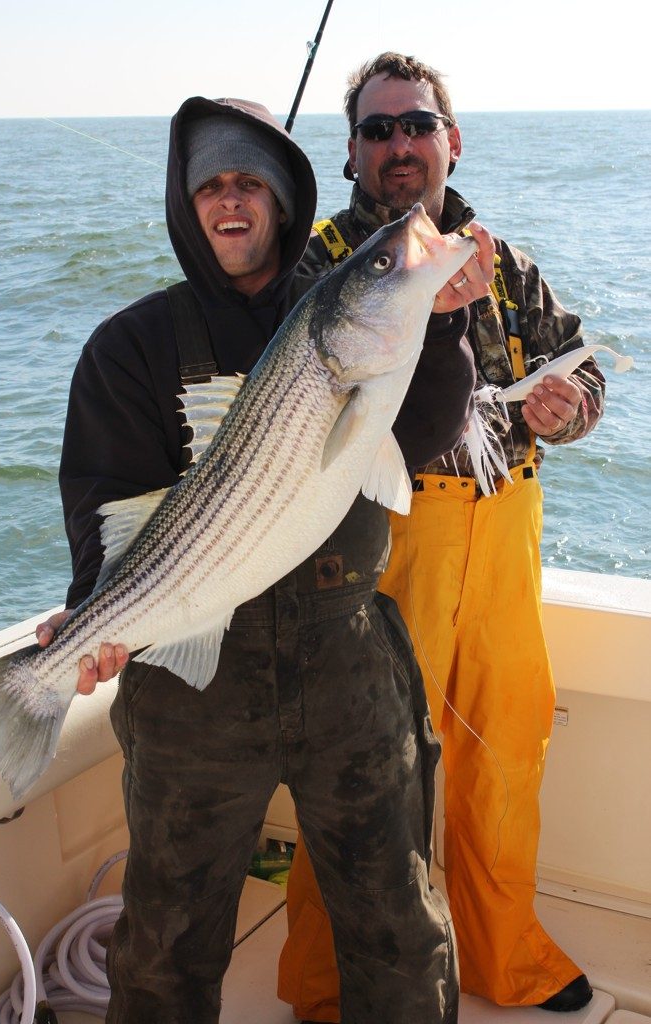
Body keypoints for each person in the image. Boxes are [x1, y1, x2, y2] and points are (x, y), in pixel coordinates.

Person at [36, 93, 491, 1023]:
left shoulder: (346, 311)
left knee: (400, 930)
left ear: (284, 197)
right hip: (191, 690)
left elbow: (422, 434)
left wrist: (439, 321)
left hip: (349, 662)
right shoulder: (129, 345)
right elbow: (103, 502)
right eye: (210, 185)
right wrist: (99, 610)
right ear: (186, 203)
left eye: (250, 180)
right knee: (165, 945)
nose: (229, 200)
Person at [277, 53, 605, 1021]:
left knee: (506, 753)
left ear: (451, 139)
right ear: (349, 154)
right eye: (377, 131)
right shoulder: (319, 262)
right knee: (360, 766)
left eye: (415, 124)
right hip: (376, 542)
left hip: (505, 533)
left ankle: (505, 956)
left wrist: (565, 411)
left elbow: (583, 373)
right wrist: (428, 321)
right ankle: (329, 977)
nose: (399, 145)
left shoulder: (506, 262)